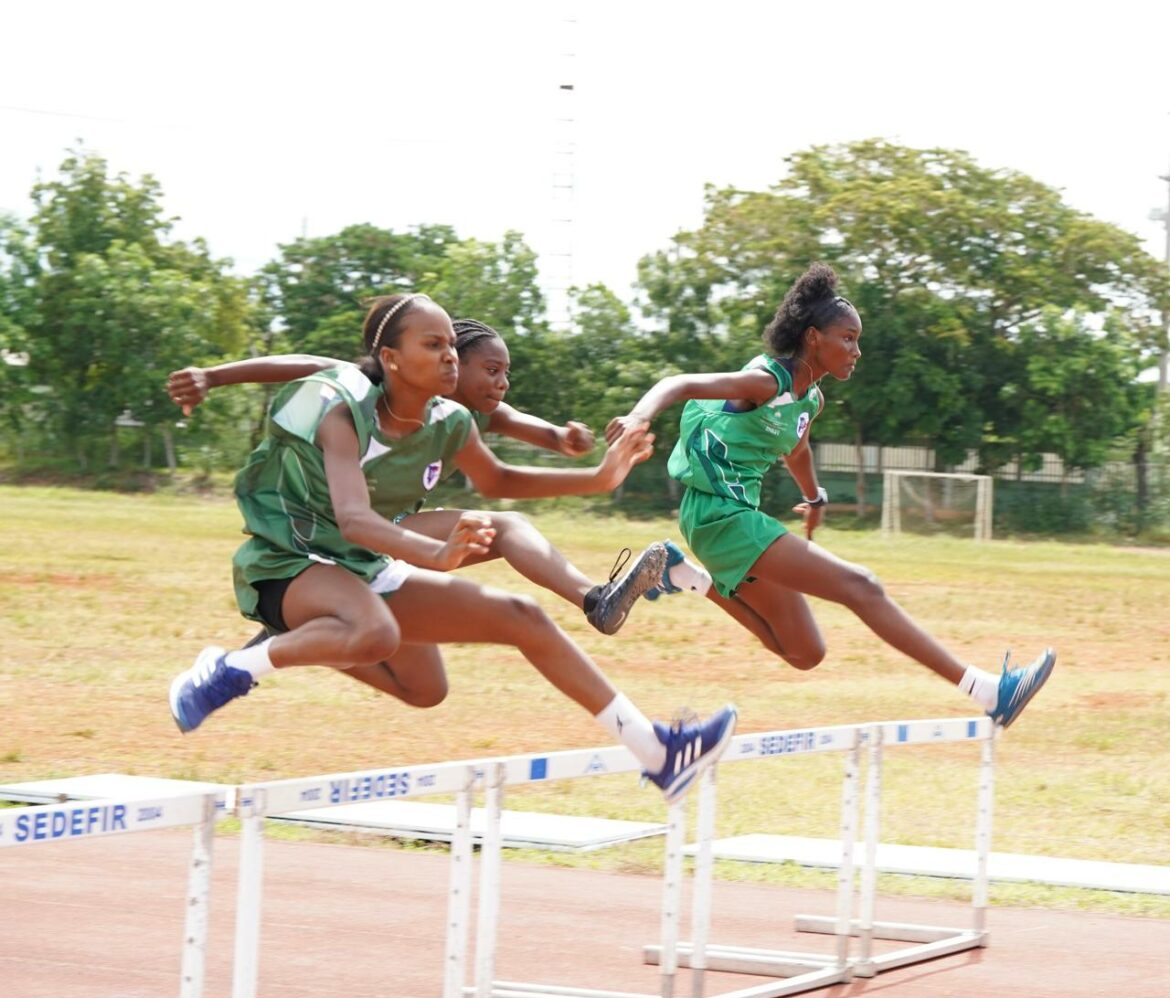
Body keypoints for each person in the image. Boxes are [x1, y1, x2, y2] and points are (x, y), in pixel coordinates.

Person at [168, 293, 737, 804]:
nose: (450, 358)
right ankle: (231, 669)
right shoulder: (343, 403)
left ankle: (658, 753)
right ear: (390, 358)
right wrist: (214, 377)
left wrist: (600, 478)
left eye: (451, 348)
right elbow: (354, 516)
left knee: (453, 666)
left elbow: (499, 482)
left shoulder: (451, 419)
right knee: (377, 634)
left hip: (360, 562)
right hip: (289, 557)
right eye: (433, 344)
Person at [607, 264, 1054, 730]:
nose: (856, 351)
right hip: (720, 515)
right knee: (862, 586)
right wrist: (638, 416)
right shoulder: (767, 382)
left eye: (858, 341)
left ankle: (681, 572)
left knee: (805, 652)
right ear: (814, 337)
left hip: (732, 519)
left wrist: (814, 497)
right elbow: (679, 384)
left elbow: (796, 448)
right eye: (848, 338)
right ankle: (988, 692)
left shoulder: (809, 399)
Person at [167, 317, 708, 635]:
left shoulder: (468, 414)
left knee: (507, 526)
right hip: (327, 533)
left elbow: (518, 428)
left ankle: (597, 599)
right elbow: (300, 364)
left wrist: (561, 439)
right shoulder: (377, 385)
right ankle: (274, 635)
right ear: (450, 364)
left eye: (507, 373)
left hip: (394, 530)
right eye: (490, 370)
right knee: (501, 525)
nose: (501, 383)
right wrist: (212, 376)